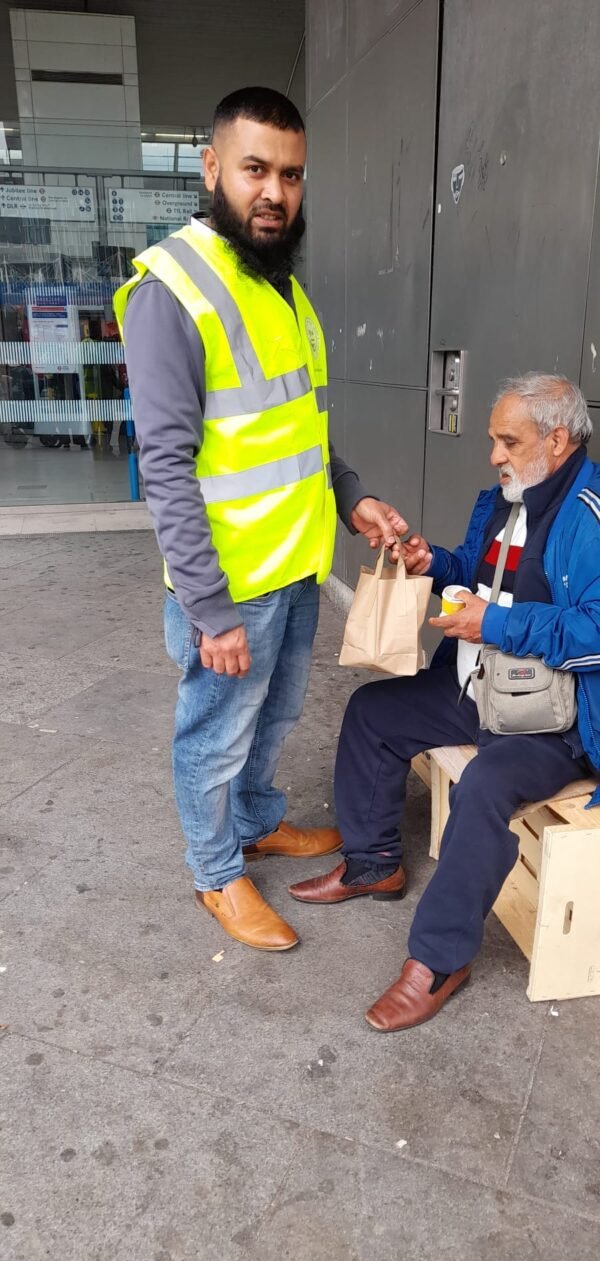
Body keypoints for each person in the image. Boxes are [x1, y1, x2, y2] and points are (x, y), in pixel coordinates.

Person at [115, 87, 407, 952]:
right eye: (255, 170)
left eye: (291, 173)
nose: (274, 191)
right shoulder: (174, 289)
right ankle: (216, 873)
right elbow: (165, 468)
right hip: (231, 586)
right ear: (212, 169)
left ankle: (254, 822)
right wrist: (209, 608)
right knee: (213, 735)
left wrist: (350, 494)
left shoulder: (279, 287)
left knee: (273, 721)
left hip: (296, 567)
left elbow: (300, 427)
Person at [290, 374, 600, 1028]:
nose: (494, 454)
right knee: (372, 713)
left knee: (486, 784)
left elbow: (594, 632)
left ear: (559, 439)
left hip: (551, 723)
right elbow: (481, 573)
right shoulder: (504, 498)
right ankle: (373, 863)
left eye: (507, 440)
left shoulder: (589, 515)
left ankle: (437, 960)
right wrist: (439, 563)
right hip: (472, 688)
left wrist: (495, 624)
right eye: (494, 438)